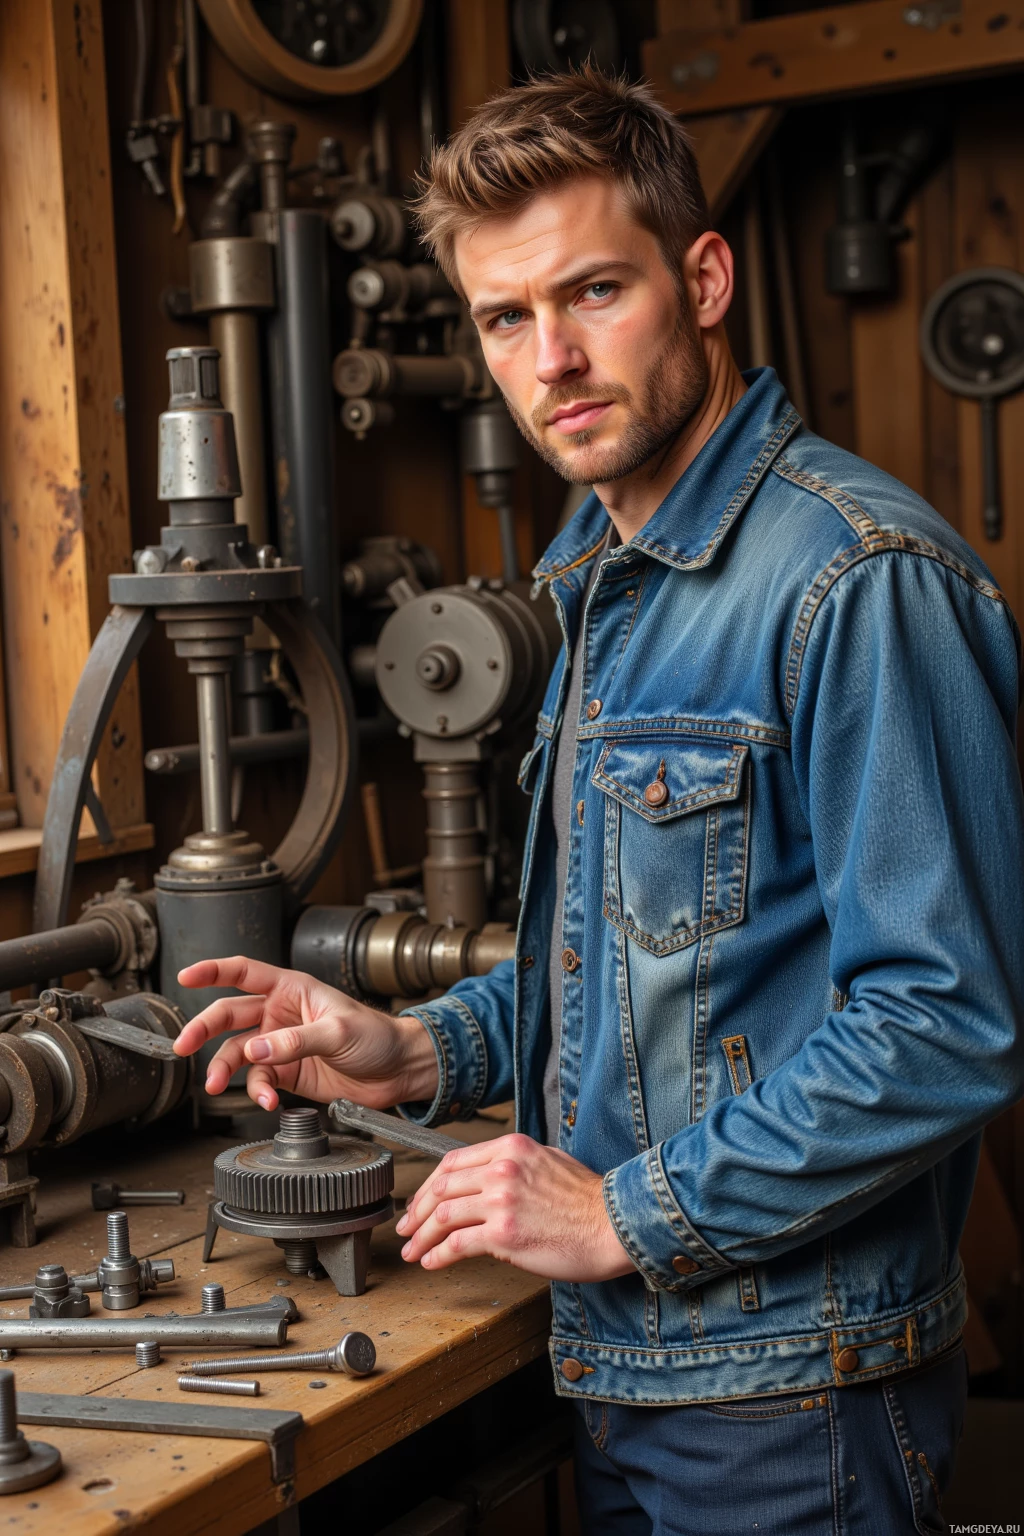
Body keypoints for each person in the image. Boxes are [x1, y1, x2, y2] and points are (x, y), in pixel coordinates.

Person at [173, 68, 1024, 1534]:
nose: (551, 357)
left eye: (594, 293)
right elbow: (655, 970)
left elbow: (947, 1024)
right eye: (506, 318)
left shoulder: (858, 580)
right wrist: (418, 1048)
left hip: (787, 1403)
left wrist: (619, 1213)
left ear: (702, 279)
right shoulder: (603, 581)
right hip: (631, 1372)